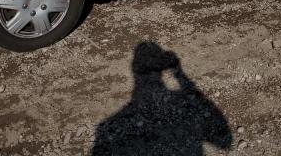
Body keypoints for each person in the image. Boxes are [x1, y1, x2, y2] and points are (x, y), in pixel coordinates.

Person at [92, 41, 232, 155]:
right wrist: (179, 74)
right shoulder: (183, 104)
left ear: (134, 69)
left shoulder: (106, 128)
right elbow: (225, 141)